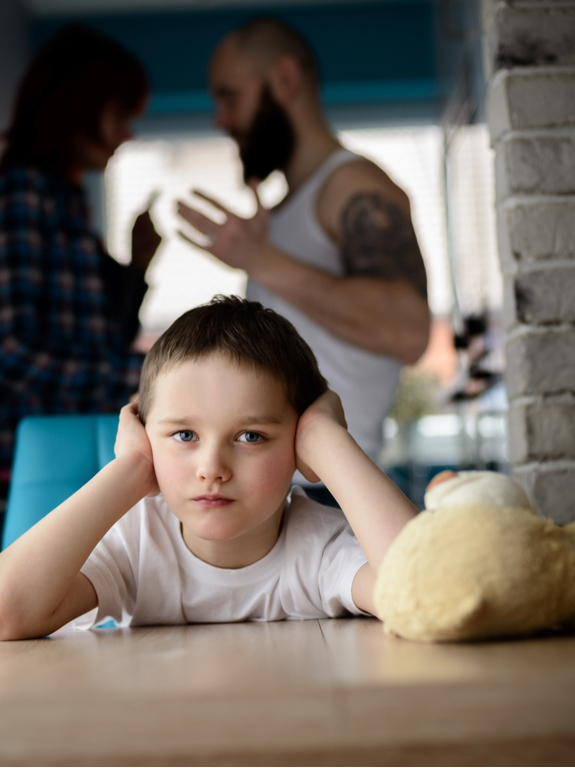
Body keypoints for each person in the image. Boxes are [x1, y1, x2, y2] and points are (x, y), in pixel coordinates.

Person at [0, 296, 418, 640]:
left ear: (298, 448)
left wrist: (327, 442)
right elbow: (1, 613)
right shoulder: (136, 545)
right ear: (147, 435)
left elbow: (428, 588)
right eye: (184, 436)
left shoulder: (320, 549)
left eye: (250, 436)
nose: (212, 469)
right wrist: (130, 468)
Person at [176, 17, 431, 507]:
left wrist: (262, 260)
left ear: (285, 80)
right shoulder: (284, 206)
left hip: (335, 496)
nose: (220, 118)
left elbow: (410, 331)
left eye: (229, 95)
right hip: (281, 493)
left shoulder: (355, 187)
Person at [0, 25, 162, 580]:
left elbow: (94, 344)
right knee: (32, 656)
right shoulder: (21, 199)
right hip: (15, 472)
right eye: (120, 114)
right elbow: (8, 359)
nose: (126, 134)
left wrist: (137, 267)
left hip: (64, 460)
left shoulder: (64, 206)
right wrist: (151, 376)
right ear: (80, 108)